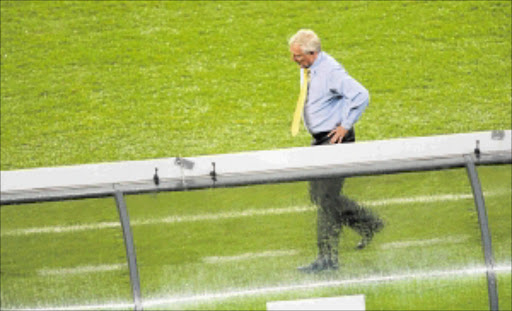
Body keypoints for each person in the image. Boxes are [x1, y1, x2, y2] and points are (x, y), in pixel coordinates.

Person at [288, 29, 384, 273]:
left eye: (297, 56)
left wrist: (345, 126)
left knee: (327, 200)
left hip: (334, 141)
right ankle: (368, 223)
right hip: (321, 141)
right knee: (319, 196)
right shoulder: (309, 69)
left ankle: (327, 259)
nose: (293, 60)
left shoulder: (331, 72)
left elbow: (361, 95)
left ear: (312, 53)